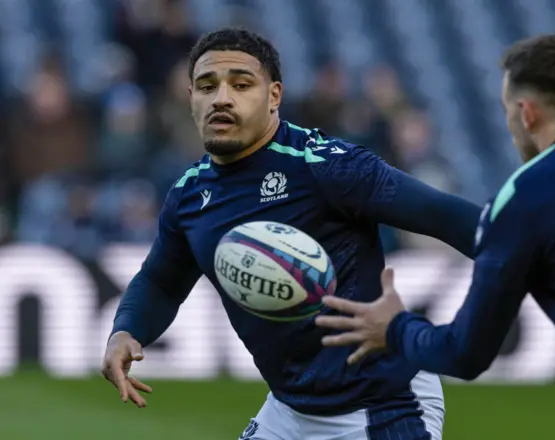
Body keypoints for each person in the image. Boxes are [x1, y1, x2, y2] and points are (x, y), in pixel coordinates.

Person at [100, 27, 482, 440]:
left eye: (241, 85)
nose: (222, 98)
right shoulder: (189, 196)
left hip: (382, 403)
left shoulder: (323, 166)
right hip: (290, 409)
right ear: (191, 98)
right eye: (207, 86)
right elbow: (161, 281)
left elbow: (448, 217)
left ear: (274, 96)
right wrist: (126, 330)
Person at [316, 28, 555, 439]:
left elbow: (465, 354)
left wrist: (394, 328)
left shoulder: (525, 194)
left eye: (507, 111)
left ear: (526, 113)